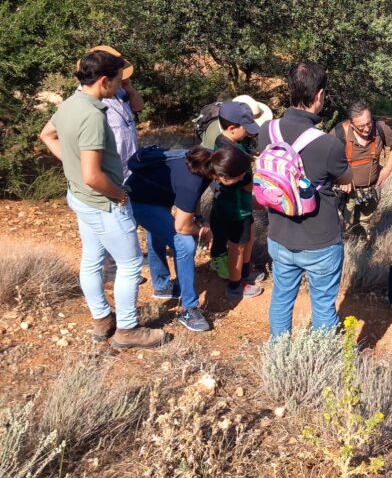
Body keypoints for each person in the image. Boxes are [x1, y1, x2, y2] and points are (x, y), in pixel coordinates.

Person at [39, 50, 165, 350]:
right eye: (119, 81)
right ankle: (127, 329)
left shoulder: (71, 104)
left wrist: (72, 166)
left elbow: (47, 135)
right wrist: (120, 194)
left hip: (80, 198)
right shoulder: (94, 115)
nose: (121, 86)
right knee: (131, 263)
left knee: (92, 259)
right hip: (103, 201)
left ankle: (101, 319)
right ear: (105, 80)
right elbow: (93, 176)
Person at [257, 61, 351, 337]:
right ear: (319, 95)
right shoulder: (328, 144)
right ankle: (321, 362)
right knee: (322, 306)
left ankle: (279, 352)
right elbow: (346, 180)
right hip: (320, 241)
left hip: (279, 236)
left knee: (282, 299)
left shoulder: (267, 131)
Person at [127, 145, 251, 332]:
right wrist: (205, 232)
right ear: (223, 177)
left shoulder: (209, 161)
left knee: (160, 232)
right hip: (139, 200)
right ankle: (189, 308)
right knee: (185, 244)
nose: (242, 178)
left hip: (154, 194)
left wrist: (199, 220)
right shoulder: (192, 179)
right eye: (239, 176)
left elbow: (193, 199)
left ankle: (162, 286)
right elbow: (182, 226)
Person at [208, 101, 265, 299]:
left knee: (247, 238)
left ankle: (245, 273)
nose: (249, 133)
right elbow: (247, 184)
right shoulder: (231, 152)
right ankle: (235, 285)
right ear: (232, 128)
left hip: (239, 205)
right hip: (235, 208)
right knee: (237, 246)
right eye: (245, 128)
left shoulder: (225, 142)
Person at [332, 100, 392, 241]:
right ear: (351, 123)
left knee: (366, 222)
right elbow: (325, 158)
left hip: (371, 189)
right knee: (347, 225)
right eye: (361, 126)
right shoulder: (339, 133)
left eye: (369, 123)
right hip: (347, 192)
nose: (367, 129)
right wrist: (340, 177)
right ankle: (350, 253)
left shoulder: (380, 128)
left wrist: (387, 169)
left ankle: (364, 248)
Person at [87, 46, 144, 179]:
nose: (120, 81)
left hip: (129, 165)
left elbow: (138, 107)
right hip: (111, 173)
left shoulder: (118, 89)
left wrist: (128, 87)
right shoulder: (86, 99)